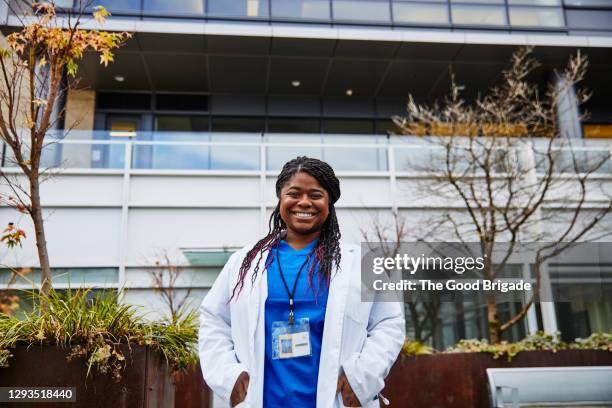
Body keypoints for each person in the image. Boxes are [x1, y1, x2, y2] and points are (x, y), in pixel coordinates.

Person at [198, 156, 405, 407]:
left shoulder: (364, 262)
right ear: (281, 199)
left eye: (316, 195)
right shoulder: (243, 262)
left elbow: (389, 323)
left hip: (335, 400)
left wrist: (362, 377)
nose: (304, 202)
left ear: (329, 204)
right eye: (294, 193)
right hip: (263, 399)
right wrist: (229, 376)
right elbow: (213, 319)